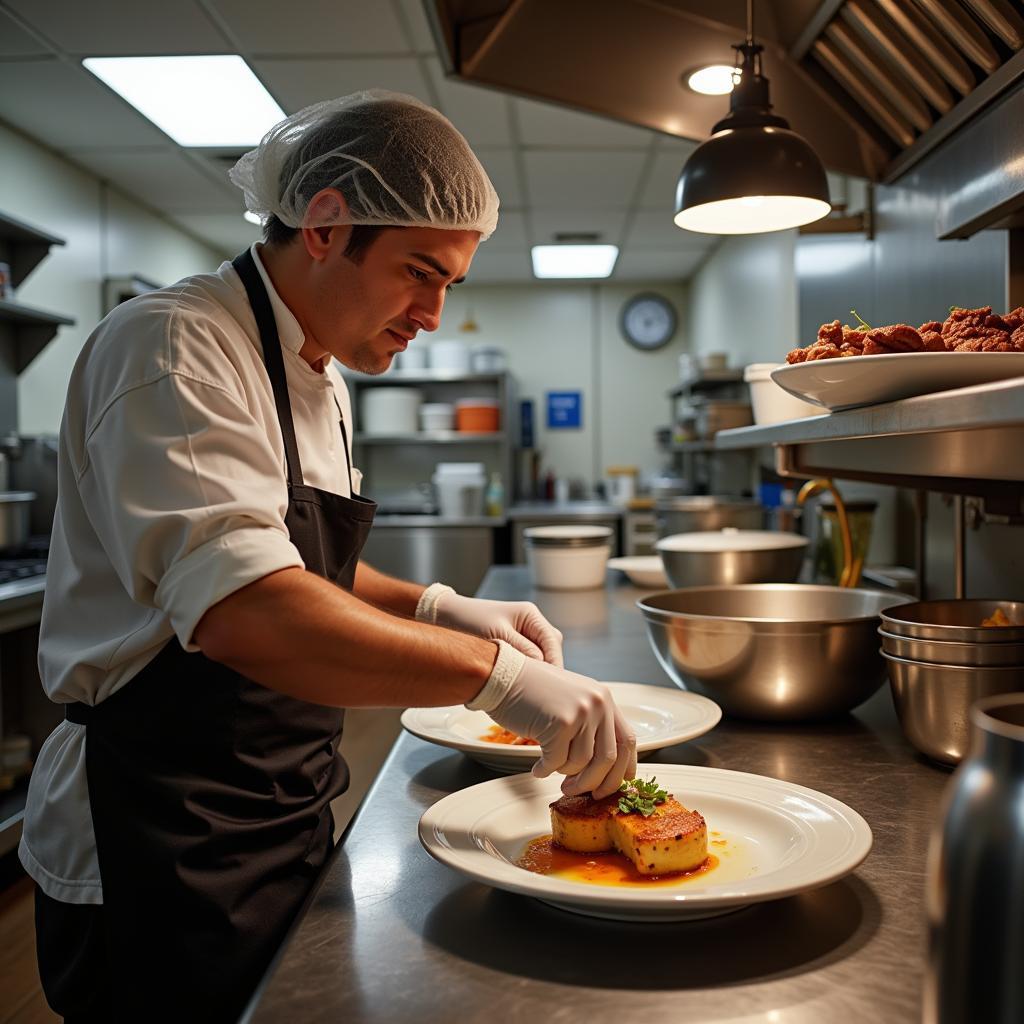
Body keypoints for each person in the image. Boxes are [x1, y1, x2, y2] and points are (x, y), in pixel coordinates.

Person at [19, 90, 636, 1022]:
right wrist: (497, 678)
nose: (432, 312)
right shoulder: (176, 348)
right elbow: (250, 610)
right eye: (418, 272)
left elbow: (301, 567)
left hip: (281, 797)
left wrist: (434, 606)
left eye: (451, 285)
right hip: (157, 822)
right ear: (325, 222)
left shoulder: (318, 372)